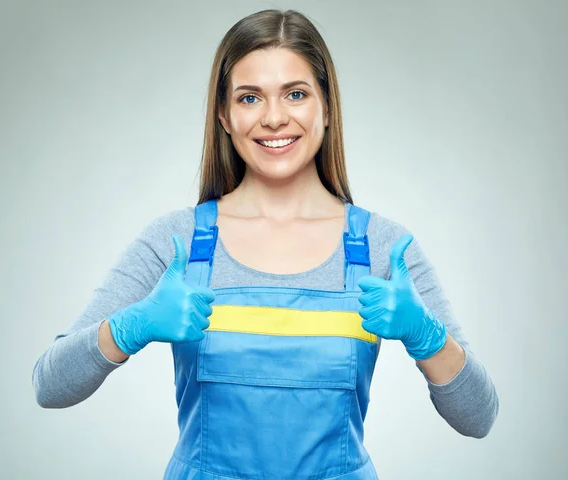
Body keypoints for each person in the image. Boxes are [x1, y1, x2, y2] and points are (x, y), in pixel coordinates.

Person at [32, 9, 499, 480]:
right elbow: (50, 385)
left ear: (326, 106)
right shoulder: (176, 244)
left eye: (295, 94)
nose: (274, 118)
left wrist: (427, 337)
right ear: (225, 115)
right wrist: (127, 328)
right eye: (250, 97)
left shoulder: (384, 248)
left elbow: (478, 418)